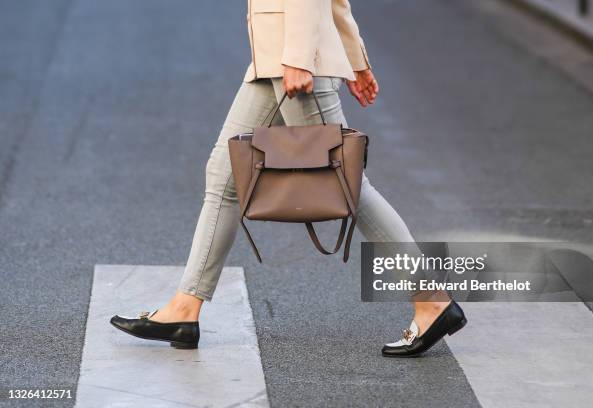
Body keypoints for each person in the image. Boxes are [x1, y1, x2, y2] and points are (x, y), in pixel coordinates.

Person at [110, 0, 466, 357]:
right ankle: (185, 309)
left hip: (293, 60)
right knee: (224, 175)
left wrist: (298, 57)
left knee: (350, 185)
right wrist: (354, 58)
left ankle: (432, 301)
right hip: (274, 60)